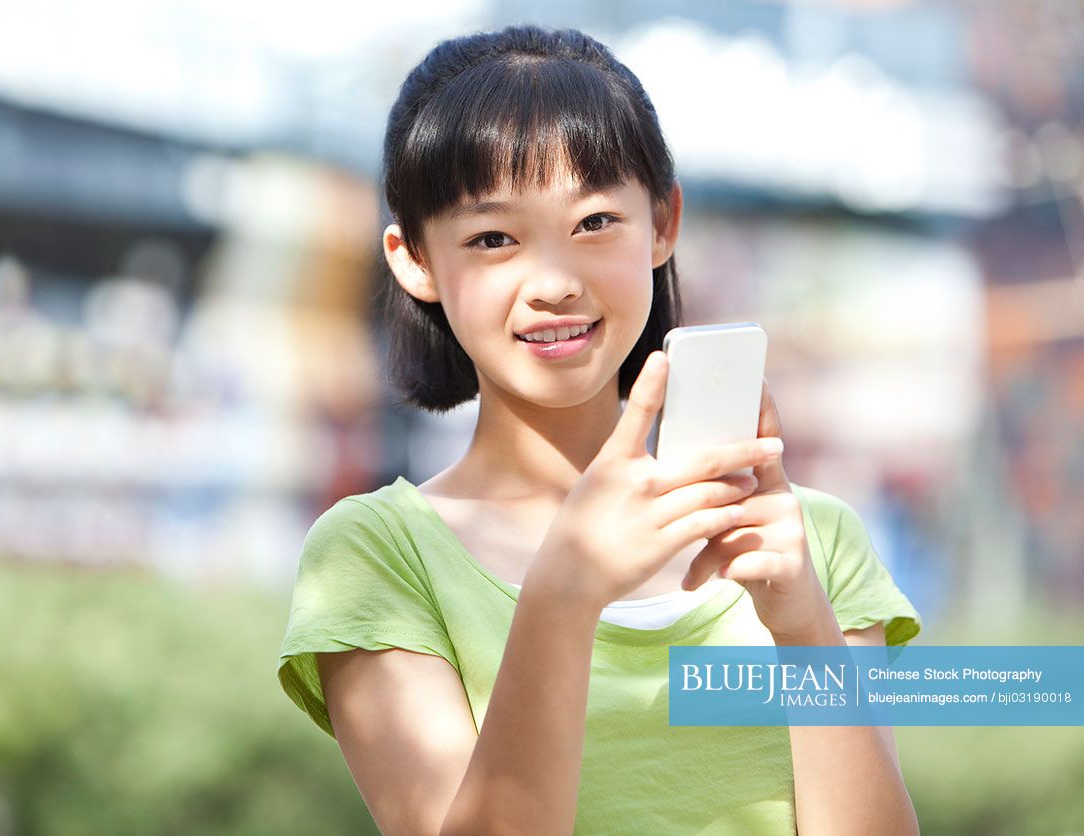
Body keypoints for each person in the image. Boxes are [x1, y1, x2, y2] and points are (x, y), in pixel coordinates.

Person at [277, 24, 922, 835]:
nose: (552, 282)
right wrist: (563, 592)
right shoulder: (376, 554)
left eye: (593, 223)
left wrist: (803, 628)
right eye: (492, 239)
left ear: (662, 222)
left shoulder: (805, 540)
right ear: (414, 262)